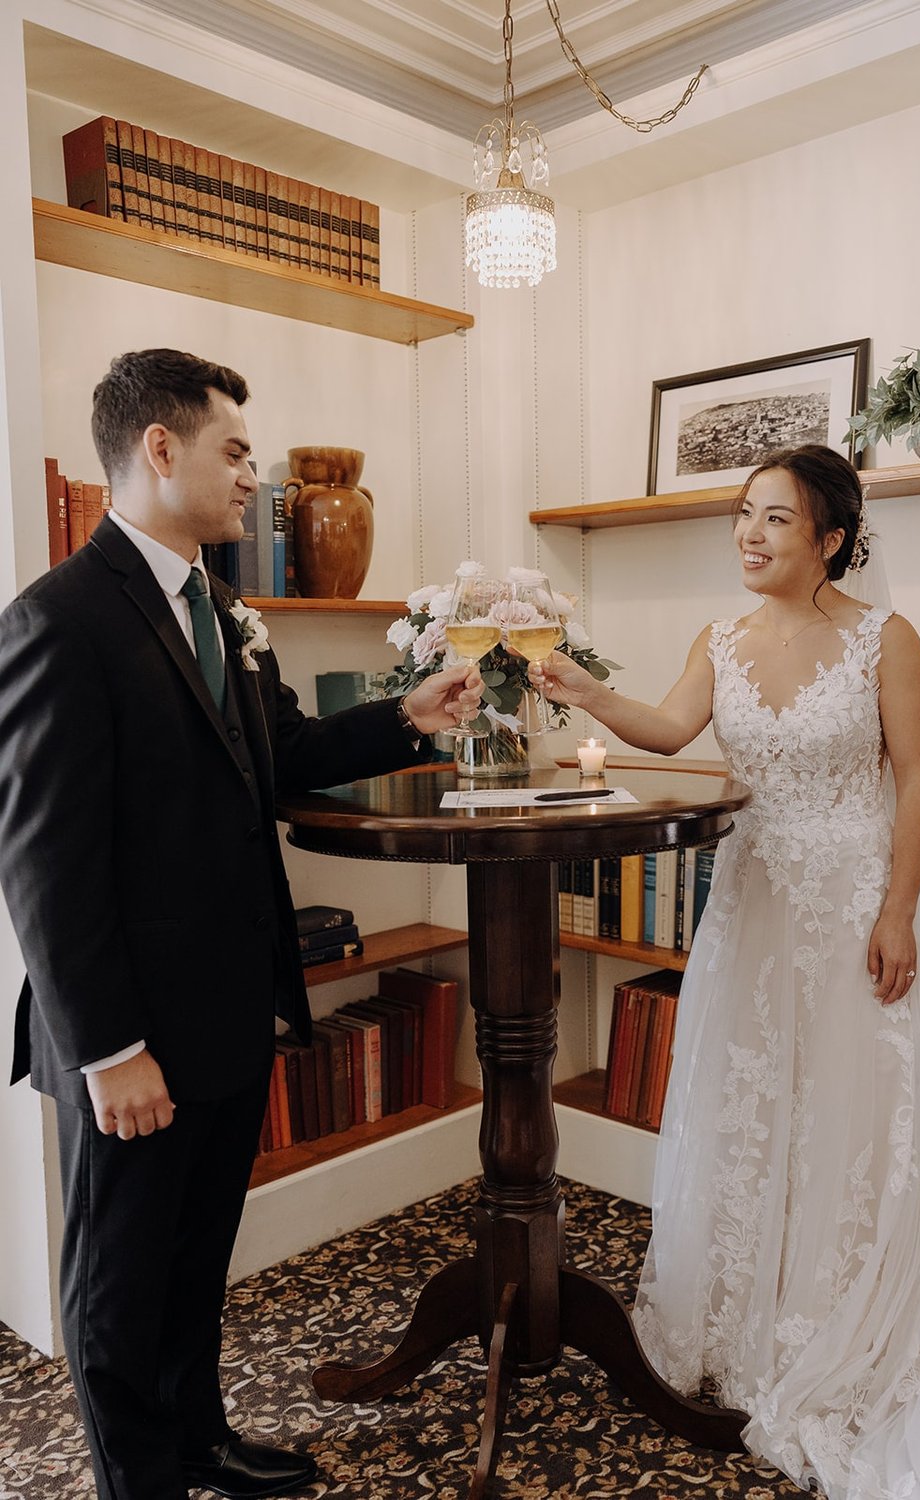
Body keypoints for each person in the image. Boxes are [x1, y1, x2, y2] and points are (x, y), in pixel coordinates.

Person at [0, 348, 483, 1500]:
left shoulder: (224, 610)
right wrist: (108, 1049)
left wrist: (406, 716)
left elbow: (287, 758)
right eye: (234, 453)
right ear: (159, 451)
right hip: (132, 1034)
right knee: (118, 1280)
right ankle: (141, 1483)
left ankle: (199, 1436)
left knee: (196, 1253)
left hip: (227, 1004)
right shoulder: (58, 621)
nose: (251, 480)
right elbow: (43, 864)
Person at [528, 444, 920, 1498]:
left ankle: (838, 1317)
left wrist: (896, 914)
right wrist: (579, 690)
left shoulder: (886, 638)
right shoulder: (721, 639)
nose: (748, 534)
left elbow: (917, 781)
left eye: (775, 519)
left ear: (830, 536)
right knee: (755, 1109)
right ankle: (745, 1313)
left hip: (848, 914)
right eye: (742, 515)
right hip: (748, 910)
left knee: (850, 1114)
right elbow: (668, 724)